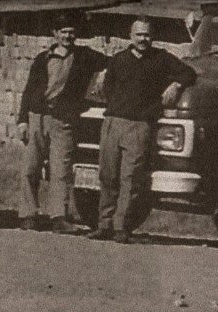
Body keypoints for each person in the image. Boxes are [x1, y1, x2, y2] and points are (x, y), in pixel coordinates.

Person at [86, 17, 197, 244]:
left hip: (140, 126)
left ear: (152, 37)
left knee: (131, 178)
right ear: (130, 36)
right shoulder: (118, 60)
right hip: (113, 123)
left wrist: (175, 85)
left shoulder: (161, 58)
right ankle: (104, 224)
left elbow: (189, 73)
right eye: (139, 35)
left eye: (147, 35)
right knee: (107, 175)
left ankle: (121, 227)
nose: (143, 39)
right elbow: (107, 88)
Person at [14, 13, 106, 234]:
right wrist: (22, 121)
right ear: (55, 34)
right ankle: (28, 214)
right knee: (30, 167)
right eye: (63, 31)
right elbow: (27, 91)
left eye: (71, 32)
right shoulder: (41, 59)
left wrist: (103, 74)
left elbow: (115, 63)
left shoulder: (84, 56)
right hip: (37, 117)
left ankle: (58, 217)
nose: (68, 36)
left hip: (64, 120)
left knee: (61, 170)